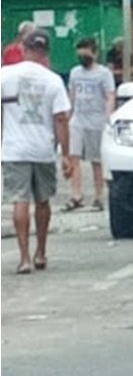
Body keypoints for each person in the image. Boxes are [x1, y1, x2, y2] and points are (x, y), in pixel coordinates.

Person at [1, 30, 72, 274]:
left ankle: (23, 259)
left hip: (14, 149)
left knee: (19, 200)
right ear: (45, 53)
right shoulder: (53, 80)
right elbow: (61, 119)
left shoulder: (6, 75)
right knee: (43, 201)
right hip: (43, 148)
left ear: (23, 48)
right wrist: (66, 155)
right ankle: (40, 252)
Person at [65, 37, 115, 212]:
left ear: (94, 53)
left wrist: (107, 116)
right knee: (74, 157)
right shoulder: (75, 73)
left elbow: (110, 95)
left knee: (96, 160)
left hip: (96, 120)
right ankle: (76, 195)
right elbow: (72, 95)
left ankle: (99, 196)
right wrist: (68, 117)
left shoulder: (103, 74)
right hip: (78, 120)